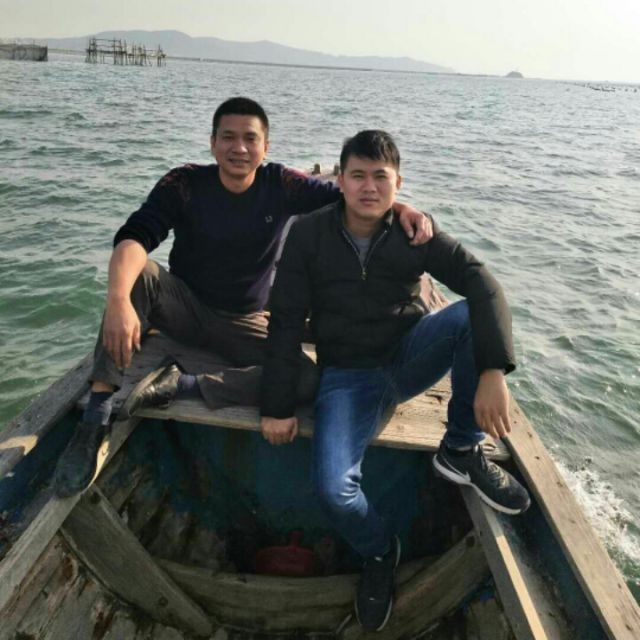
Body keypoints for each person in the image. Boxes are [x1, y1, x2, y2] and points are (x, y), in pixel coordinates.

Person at [52, 98, 431, 498]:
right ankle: (96, 417)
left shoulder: (279, 184)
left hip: (245, 320)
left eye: (251, 139)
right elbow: (134, 237)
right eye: (228, 137)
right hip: (183, 307)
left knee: (307, 379)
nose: (240, 148)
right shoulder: (184, 183)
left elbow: (348, 198)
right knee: (138, 274)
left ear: (265, 147)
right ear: (212, 143)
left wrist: (400, 206)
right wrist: (117, 301)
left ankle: (183, 384)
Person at [259, 130, 530, 631]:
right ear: (340, 181)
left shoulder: (414, 232)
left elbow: (483, 283)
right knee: (335, 491)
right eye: (357, 176)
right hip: (346, 377)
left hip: (408, 358)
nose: (369, 187)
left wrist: (495, 369)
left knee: (469, 315)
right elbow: (286, 321)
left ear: (398, 183)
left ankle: (461, 449)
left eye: (380, 177)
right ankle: (381, 549)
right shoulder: (309, 234)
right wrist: (276, 406)